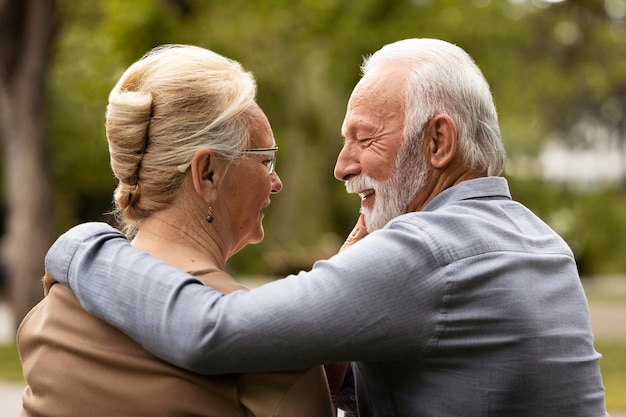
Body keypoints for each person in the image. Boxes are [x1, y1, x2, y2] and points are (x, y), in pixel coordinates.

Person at [42, 38, 608, 416]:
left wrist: (81, 246)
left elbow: (212, 330)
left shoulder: (429, 252)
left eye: (364, 139)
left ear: (438, 143)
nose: (341, 166)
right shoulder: (535, 240)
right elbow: (456, 384)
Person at [17, 44, 342, 417]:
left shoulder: (56, 311)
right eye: (265, 160)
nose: (276, 182)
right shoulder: (267, 349)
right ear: (207, 173)